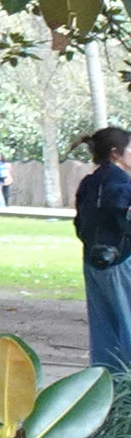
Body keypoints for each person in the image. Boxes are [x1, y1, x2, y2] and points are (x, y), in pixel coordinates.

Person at [75, 128, 131, 372]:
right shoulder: (121, 183)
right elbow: (120, 217)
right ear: (116, 153)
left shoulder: (89, 182)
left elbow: (80, 224)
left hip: (94, 260)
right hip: (122, 259)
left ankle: (106, 381)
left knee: (103, 328)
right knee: (127, 322)